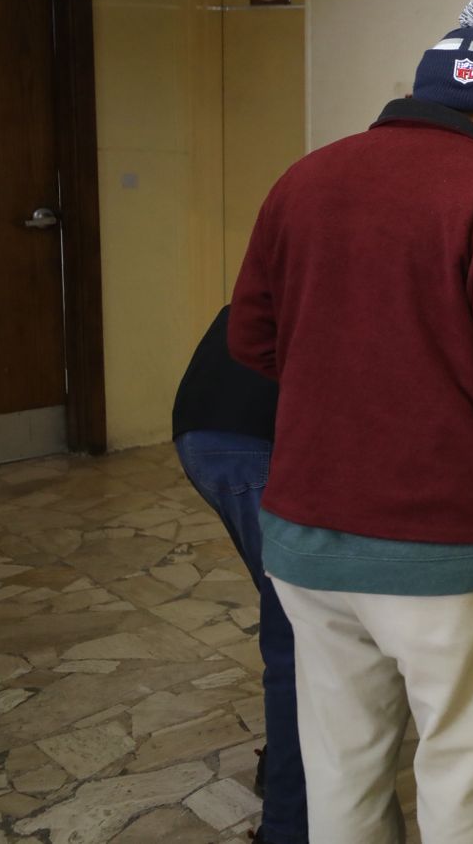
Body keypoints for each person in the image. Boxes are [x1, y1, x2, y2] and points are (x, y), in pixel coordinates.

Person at [228, 0, 473, 844]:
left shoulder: (304, 180)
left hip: (307, 547)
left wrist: (349, 390)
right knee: (464, 776)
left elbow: (252, 337)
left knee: (343, 772)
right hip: (444, 558)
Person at [172, 306, 306, 844]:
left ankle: (283, 765)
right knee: (298, 637)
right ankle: (288, 826)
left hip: (200, 427)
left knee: (295, 617)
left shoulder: (302, 267)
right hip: (252, 438)